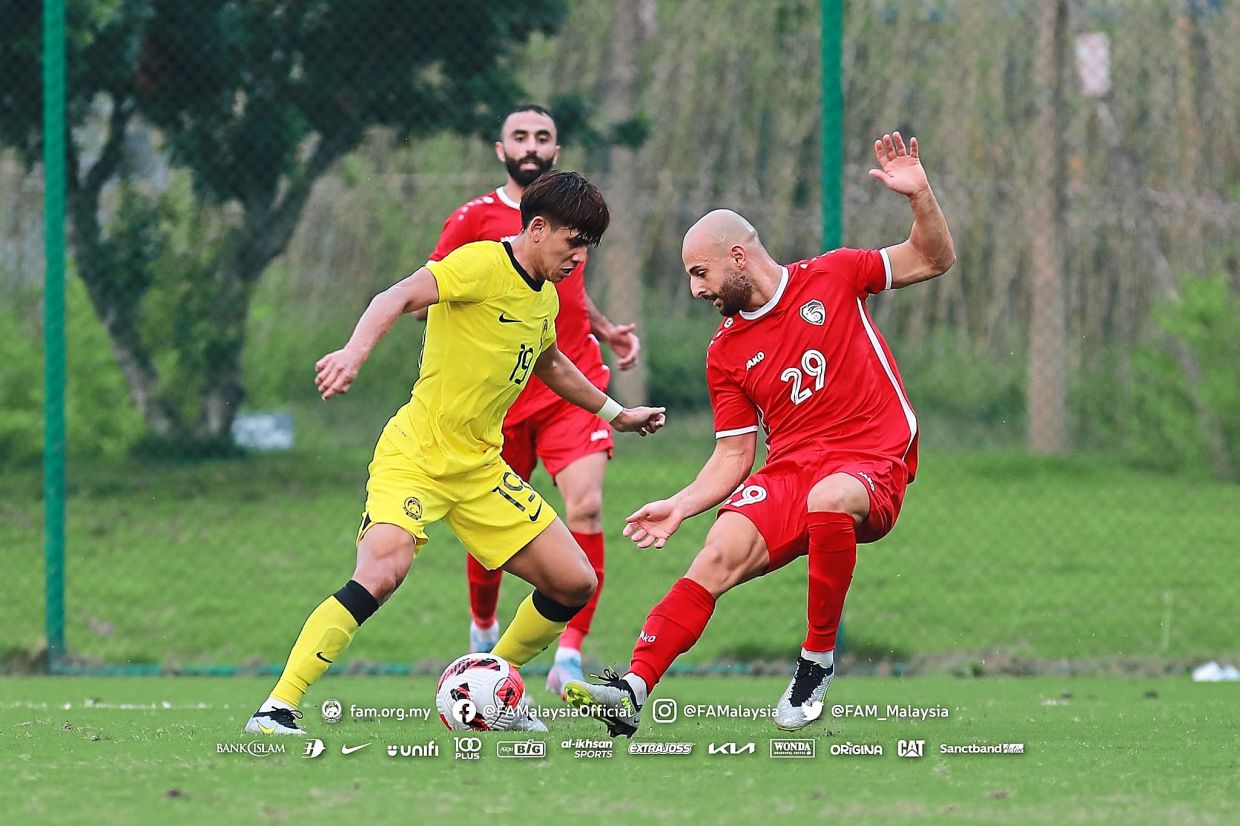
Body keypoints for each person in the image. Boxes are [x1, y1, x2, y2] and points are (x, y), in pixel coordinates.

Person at [244, 171, 666, 736]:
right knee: (382, 571)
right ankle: (277, 707)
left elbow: (552, 364)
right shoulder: (480, 265)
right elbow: (395, 296)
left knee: (574, 581)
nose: (579, 256)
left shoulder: (543, 296)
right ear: (538, 229)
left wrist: (619, 414)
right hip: (417, 455)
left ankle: (498, 685)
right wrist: (352, 352)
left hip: (479, 469)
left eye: (588, 245)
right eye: (574, 241)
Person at [564, 132, 955, 736]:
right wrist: (681, 505)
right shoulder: (724, 353)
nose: (696, 289)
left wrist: (920, 194)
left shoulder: (835, 275)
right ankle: (632, 689)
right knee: (715, 555)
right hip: (792, 468)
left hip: (873, 457)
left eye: (701, 272)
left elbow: (932, 258)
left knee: (831, 496)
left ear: (738, 257)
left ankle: (816, 661)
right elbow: (734, 455)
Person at [420, 104, 641, 697]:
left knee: (587, 508)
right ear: (500, 149)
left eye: (542, 136)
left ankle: (568, 654)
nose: (531, 144)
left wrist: (607, 326)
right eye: (519, 135)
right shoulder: (474, 220)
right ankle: (483, 634)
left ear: (555, 151)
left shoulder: (574, 216)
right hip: (501, 398)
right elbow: (435, 288)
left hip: (569, 385)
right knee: (492, 538)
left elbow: (563, 293)